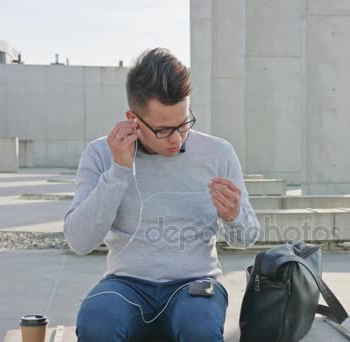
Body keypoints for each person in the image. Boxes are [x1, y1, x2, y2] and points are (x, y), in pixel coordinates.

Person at [63, 47, 260, 341]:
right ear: (133, 119)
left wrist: (233, 216)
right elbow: (79, 242)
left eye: (184, 125)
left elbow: (248, 237)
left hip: (194, 283)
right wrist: (118, 170)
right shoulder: (101, 155)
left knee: (199, 329)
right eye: (164, 130)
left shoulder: (219, 153)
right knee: (96, 324)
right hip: (125, 284)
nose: (177, 139)